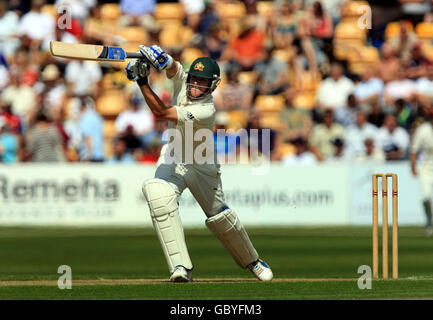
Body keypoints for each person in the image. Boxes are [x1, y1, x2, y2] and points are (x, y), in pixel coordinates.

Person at [125, 44, 273, 282]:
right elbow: (173, 69)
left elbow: (162, 113)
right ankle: (181, 268)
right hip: (173, 155)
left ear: (212, 85)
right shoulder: (184, 83)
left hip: (201, 163)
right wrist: (163, 59)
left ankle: (253, 262)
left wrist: (142, 82)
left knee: (219, 217)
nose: (194, 85)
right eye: (193, 79)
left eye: (201, 82)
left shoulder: (206, 110)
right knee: (157, 194)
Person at [410, 109, 433, 237]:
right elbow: (414, 150)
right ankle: (429, 222)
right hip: (426, 169)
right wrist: (413, 166)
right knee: (426, 197)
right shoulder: (423, 130)